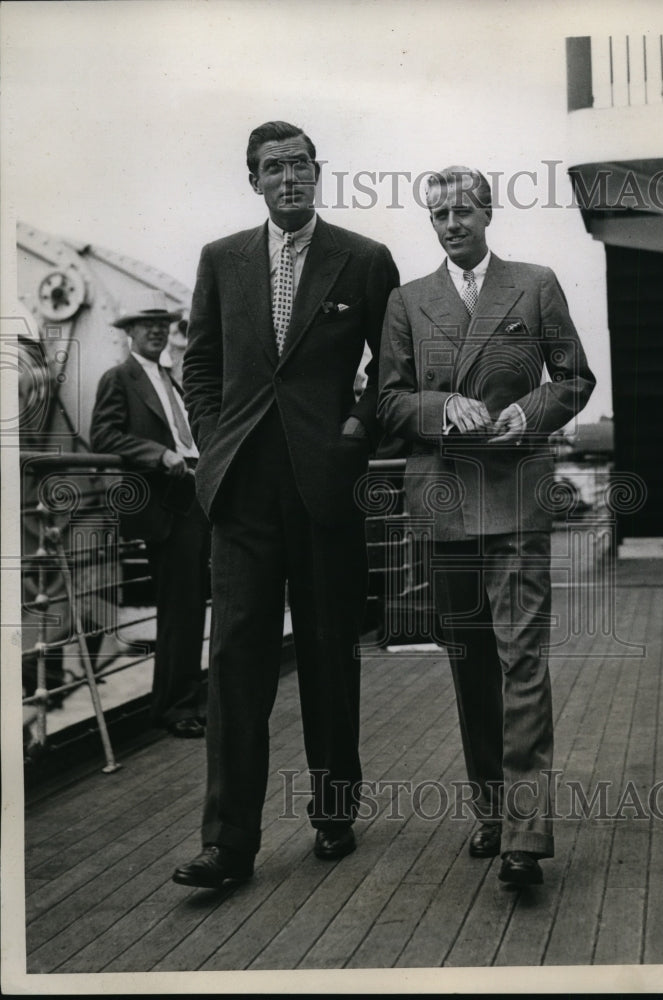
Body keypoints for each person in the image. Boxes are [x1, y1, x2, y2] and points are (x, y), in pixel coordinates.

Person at [173, 120, 399, 889]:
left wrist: (353, 433)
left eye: (300, 165)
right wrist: (211, 437)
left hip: (324, 486)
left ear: (317, 173)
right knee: (235, 660)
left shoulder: (363, 261)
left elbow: (390, 369)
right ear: (254, 181)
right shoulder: (220, 259)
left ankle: (333, 811)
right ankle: (227, 843)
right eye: (273, 168)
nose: (288, 178)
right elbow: (199, 362)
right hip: (241, 488)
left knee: (330, 652)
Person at [377, 166, 596, 886]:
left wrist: (525, 413)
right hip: (443, 502)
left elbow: (572, 377)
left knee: (521, 660)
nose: (450, 223)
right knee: (469, 662)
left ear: (487, 211)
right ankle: (493, 813)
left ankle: (526, 838)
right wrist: (443, 408)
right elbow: (390, 400)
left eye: (462, 210)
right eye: (437, 213)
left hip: (514, 496)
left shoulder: (534, 283)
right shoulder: (406, 301)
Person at [90, 290, 210, 739]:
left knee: (192, 606)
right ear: (129, 332)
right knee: (180, 609)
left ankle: (185, 699)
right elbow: (102, 434)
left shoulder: (170, 379)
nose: (157, 331)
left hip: (193, 501)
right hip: (165, 504)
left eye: (162, 324)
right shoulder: (119, 378)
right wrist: (156, 454)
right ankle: (176, 707)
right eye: (147, 324)